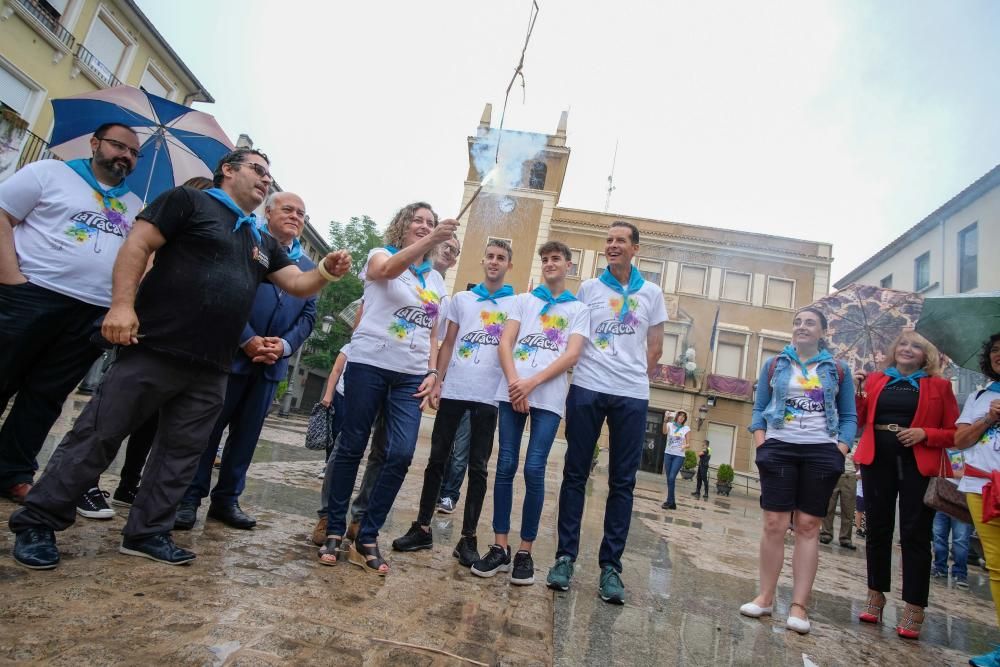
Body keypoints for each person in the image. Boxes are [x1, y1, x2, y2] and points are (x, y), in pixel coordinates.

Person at [8, 148, 352, 569]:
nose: (265, 181)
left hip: (213, 366)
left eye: (269, 176)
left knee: (180, 454)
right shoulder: (188, 201)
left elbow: (298, 283)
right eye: (258, 171)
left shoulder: (258, 238)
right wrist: (121, 306)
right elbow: (137, 244)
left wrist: (327, 272)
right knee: (97, 435)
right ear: (228, 170)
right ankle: (39, 521)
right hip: (157, 347)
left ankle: (147, 531)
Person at [0, 123, 143, 505]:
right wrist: (13, 280)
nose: (125, 155)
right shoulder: (49, 173)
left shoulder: (133, 205)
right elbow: (2, 216)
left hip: (90, 313)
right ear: (95, 143)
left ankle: (12, 471)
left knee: (46, 395)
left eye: (133, 152)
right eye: (118, 146)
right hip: (30, 297)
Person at [320, 202, 455, 575]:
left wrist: (432, 372)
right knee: (352, 446)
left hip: (410, 376)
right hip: (369, 364)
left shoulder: (435, 280)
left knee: (400, 453)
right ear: (403, 225)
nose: (425, 226)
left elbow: (433, 332)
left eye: (430, 223)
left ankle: (366, 532)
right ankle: (333, 529)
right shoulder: (382, 254)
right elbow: (386, 271)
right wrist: (429, 241)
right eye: (418, 221)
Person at [175, 191, 317, 530]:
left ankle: (226, 500)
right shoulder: (249, 244)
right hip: (231, 355)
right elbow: (227, 291)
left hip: (271, 365)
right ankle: (188, 499)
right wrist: (246, 338)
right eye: (288, 209)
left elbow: (309, 315)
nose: (295, 216)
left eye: (301, 213)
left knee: (247, 437)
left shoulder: (309, 268)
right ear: (267, 212)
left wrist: (283, 346)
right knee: (208, 431)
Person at [546, 220, 667, 605]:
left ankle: (610, 568)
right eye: (609, 240)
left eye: (620, 241)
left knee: (623, 482)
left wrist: (629, 374)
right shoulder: (589, 289)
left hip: (631, 393)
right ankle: (565, 557)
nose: (612, 246)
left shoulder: (652, 292)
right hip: (586, 387)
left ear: (635, 249)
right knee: (575, 474)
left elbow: (656, 347)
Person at [469, 241, 588, 585]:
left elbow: (572, 355)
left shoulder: (578, 309)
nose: (550, 264)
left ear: (568, 265)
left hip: (548, 396)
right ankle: (500, 546)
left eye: (556, 259)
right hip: (512, 392)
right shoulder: (524, 300)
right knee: (505, 464)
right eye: (546, 259)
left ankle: (525, 551)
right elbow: (506, 343)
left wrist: (532, 383)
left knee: (535, 469)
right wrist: (514, 383)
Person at [392, 239, 516, 566]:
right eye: (489, 256)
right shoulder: (462, 299)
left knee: (478, 468)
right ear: (483, 260)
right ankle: (421, 527)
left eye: (500, 257)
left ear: (508, 265)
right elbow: (448, 342)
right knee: (437, 459)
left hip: (488, 397)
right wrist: (437, 379)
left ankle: (468, 538)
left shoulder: (515, 304)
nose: (493, 262)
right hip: (454, 391)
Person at [740, 306, 856, 634]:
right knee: (775, 523)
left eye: (810, 323)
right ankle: (764, 598)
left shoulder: (838, 368)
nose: (802, 327)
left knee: (807, 525)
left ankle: (799, 606)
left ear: (822, 332)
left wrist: (841, 448)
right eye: (798, 322)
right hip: (779, 448)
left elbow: (849, 415)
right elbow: (760, 407)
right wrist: (761, 441)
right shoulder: (775, 364)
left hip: (821, 451)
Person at [852, 330, 958, 639]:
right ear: (894, 349)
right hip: (878, 460)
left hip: (918, 464)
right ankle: (875, 595)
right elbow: (859, 421)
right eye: (903, 344)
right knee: (877, 530)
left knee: (915, 534)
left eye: (916, 346)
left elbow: (954, 431)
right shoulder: (874, 380)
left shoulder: (938, 386)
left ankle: (914, 606)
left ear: (927, 356)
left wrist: (926, 433)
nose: (907, 349)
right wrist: (859, 393)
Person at [953, 333, 1000, 667]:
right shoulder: (979, 397)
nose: (999, 355)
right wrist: (990, 418)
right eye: (996, 351)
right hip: (980, 487)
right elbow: (960, 440)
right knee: (997, 568)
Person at [820, 455, 857, 549]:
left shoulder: (858, 442)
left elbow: (859, 463)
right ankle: (826, 534)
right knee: (829, 507)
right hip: (833, 472)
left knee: (848, 509)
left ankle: (845, 538)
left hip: (850, 475)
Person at [661, 411, 690, 509]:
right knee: (669, 479)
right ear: (677, 417)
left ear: (684, 419)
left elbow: (688, 444)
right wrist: (665, 419)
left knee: (672, 477)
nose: (681, 418)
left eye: (683, 417)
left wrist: (684, 445)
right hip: (668, 454)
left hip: (679, 456)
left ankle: (669, 502)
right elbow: (664, 432)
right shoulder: (669, 425)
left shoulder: (686, 428)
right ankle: (672, 503)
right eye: (680, 416)